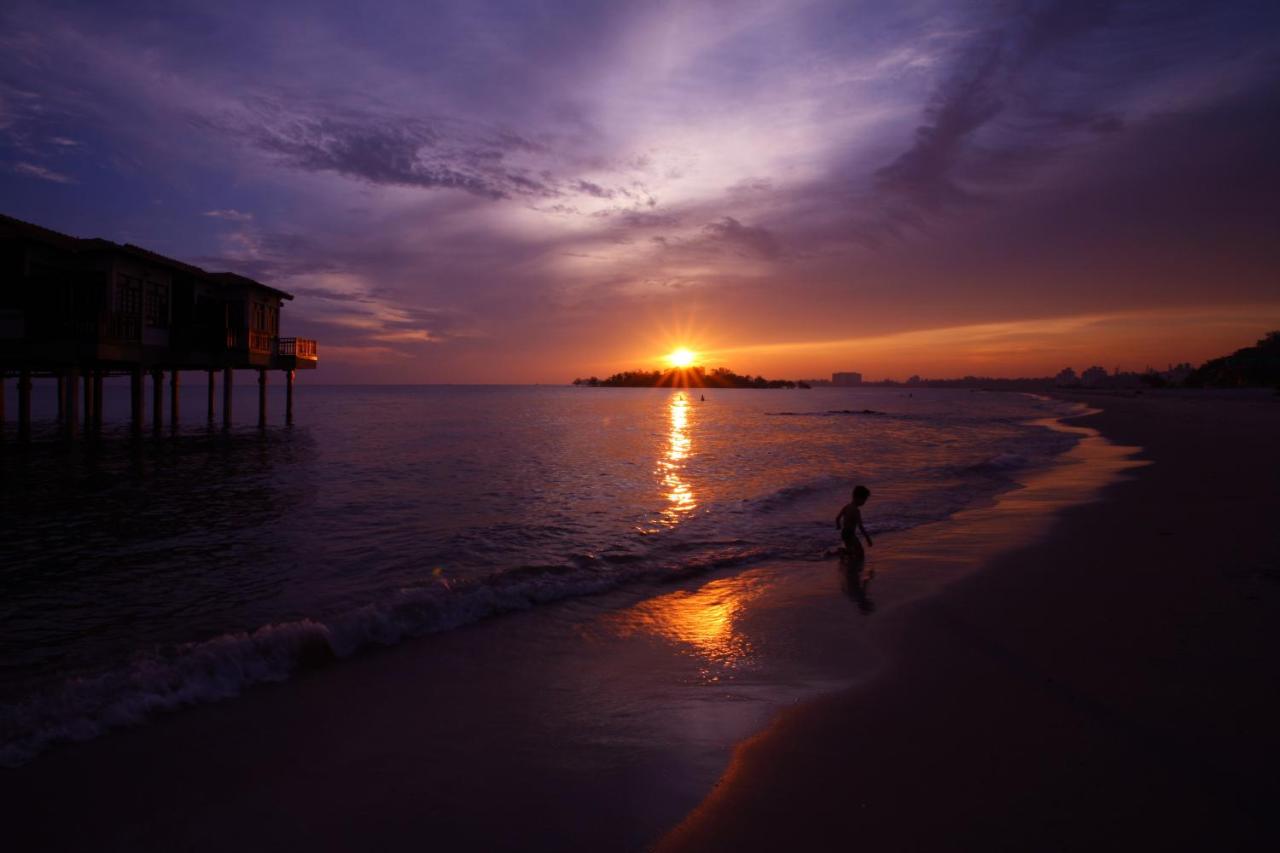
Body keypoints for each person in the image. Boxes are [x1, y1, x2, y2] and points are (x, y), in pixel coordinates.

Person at [835, 485, 873, 560]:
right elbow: (860, 526)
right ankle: (841, 551)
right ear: (858, 498)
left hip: (844, 533)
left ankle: (842, 552)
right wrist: (868, 538)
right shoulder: (856, 511)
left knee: (852, 550)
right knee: (860, 552)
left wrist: (838, 526)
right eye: (864, 500)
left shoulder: (846, 507)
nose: (864, 502)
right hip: (850, 534)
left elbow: (837, 518)